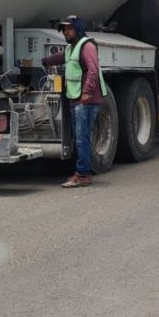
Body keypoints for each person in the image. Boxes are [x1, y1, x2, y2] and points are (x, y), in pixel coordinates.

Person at [42, 15, 108, 188]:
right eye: (64, 29)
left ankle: (83, 175)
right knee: (79, 137)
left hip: (86, 100)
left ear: (78, 29)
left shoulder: (87, 46)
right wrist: (45, 61)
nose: (66, 32)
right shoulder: (72, 48)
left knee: (81, 137)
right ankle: (82, 172)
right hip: (76, 98)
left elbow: (93, 70)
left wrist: (87, 92)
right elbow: (61, 57)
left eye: (69, 28)